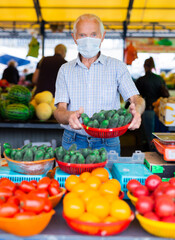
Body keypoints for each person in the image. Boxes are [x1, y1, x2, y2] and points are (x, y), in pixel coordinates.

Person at [54, 14, 145, 155]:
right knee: (70, 178)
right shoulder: (65, 70)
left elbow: (136, 99)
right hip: (73, 141)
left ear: (102, 37)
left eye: (94, 34)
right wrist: (69, 116)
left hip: (108, 142)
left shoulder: (117, 67)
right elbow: (59, 111)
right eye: (82, 35)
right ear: (74, 38)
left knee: (106, 177)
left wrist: (137, 111)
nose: (88, 40)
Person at [135, 57, 169, 149]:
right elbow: (166, 95)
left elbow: (135, 98)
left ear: (144, 66)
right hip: (159, 112)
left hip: (147, 111)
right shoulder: (159, 79)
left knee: (148, 137)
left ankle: (151, 155)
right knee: (158, 137)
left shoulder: (141, 80)